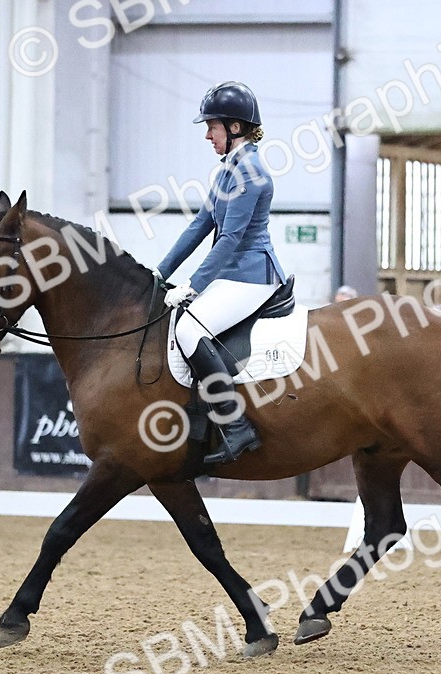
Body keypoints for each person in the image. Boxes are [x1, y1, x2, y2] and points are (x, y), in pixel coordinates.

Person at [156, 81, 287, 466]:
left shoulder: (250, 173)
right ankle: (200, 419)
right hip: (232, 273)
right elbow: (199, 226)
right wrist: (159, 273)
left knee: (188, 329)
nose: (208, 136)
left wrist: (193, 286)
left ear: (234, 127)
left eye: (211, 127)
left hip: (252, 273)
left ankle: (235, 426)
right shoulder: (227, 171)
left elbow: (229, 239)